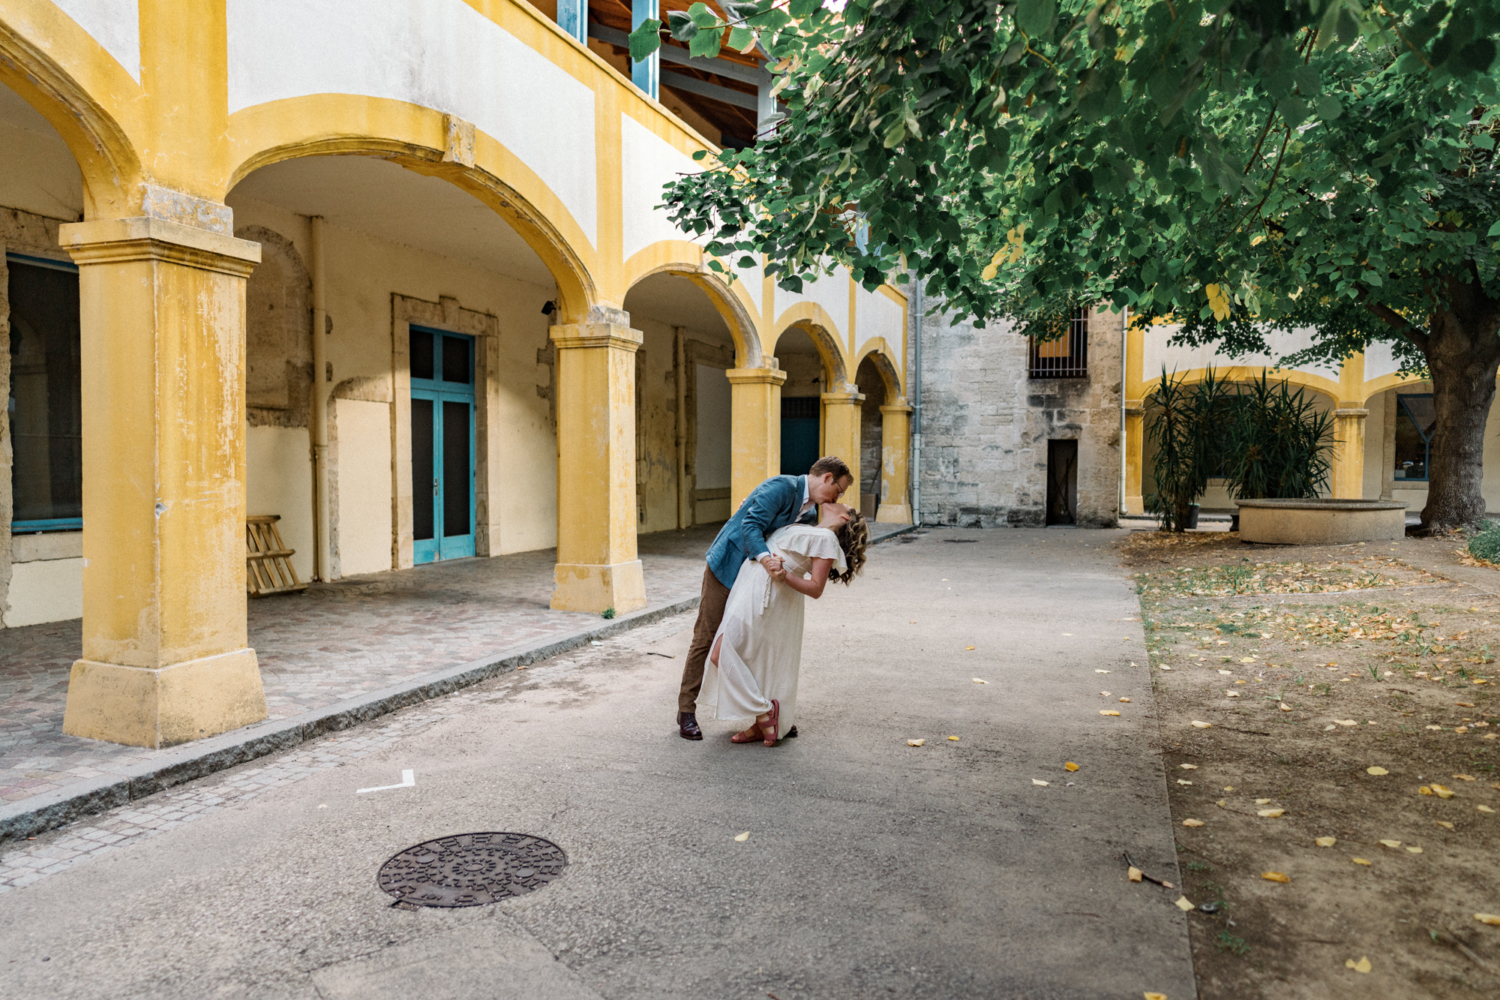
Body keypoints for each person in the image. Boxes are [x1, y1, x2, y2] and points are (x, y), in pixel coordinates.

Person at [676, 456, 853, 740]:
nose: (837, 497)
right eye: (839, 490)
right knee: (707, 637)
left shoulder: (808, 511)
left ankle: (765, 711)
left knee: (755, 644)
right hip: (728, 567)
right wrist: (767, 559)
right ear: (828, 478)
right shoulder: (782, 487)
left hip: (755, 579)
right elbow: (751, 527)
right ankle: (686, 711)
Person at [699, 501, 868, 745]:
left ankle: (765, 712)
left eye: (843, 501)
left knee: (721, 653)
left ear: (844, 518)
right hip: (748, 590)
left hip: (767, 600)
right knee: (750, 660)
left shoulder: (826, 539)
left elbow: (816, 588)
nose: (837, 498)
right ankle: (761, 720)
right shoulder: (803, 525)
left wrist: (783, 574)